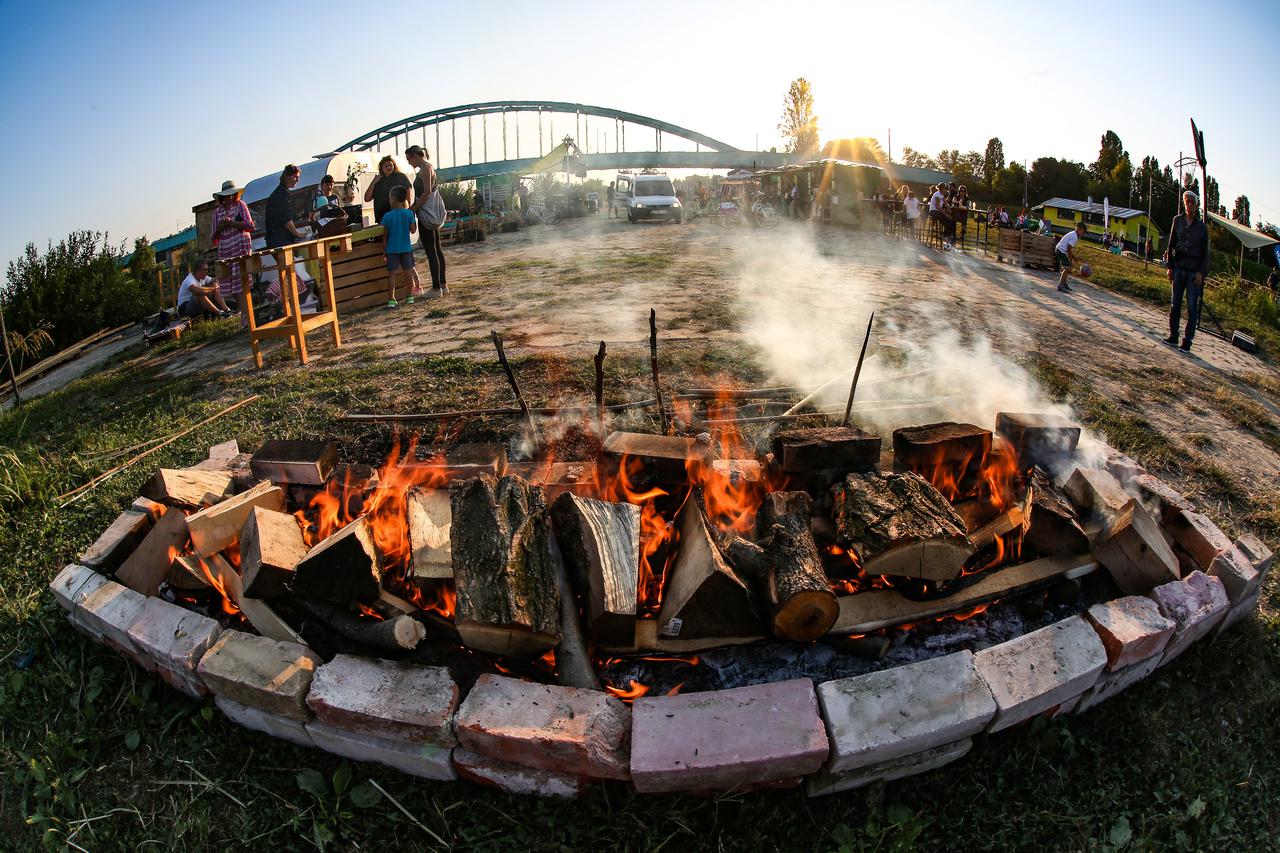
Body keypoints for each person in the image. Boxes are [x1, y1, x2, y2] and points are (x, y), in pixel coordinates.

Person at [1164, 190, 1209, 352]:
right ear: (1184, 203)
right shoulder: (1177, 221)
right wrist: (1170, 266)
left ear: (1196, 205)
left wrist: (1201, 273)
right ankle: (1173, 335)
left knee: (1191, 307)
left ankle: (1187, 341)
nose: (1189, 204)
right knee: (1175, 304)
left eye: (1192, 201)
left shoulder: (1202, 228)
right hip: (1178, 267)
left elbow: (1205, 253)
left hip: (1193, 271)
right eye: (1187, 201)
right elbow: (1170, 245)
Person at [405, 145, 448, 295]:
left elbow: (427, 191)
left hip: (426, 215)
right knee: (437, 249)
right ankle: (443, 284)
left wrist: (413, 208)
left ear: (415, 156)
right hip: (432, 214)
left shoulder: (425, 168)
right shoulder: (428, 167)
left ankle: (436, 288)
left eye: (409, 159)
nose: (409, 163)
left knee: (431, 251)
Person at [210, 180, 255, 324]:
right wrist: (221, 228)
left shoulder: (241, 205)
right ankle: (245, 315)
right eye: (226, 196)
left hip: (240, 247)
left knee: (243, 282)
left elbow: (250, 225)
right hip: (227, 250)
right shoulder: (217, 213)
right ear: (222, 197)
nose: (229, 198)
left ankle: (249, 315)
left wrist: (232, 223)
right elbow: (213, 238)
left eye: (231, 195)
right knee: (234, 285)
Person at [381, 184, 417, 308]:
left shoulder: (387, 216)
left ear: (393, 199)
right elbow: (413, 230)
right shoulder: (409, 214)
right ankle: (409, 297)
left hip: (392, 249)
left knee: (392, 274)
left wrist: (384, 250)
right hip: (406, 248)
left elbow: (385, 236)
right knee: (408, 272)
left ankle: (391, 299)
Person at [265, 165, 308, 249]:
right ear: (287, 177)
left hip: (272, 239)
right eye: (295, 177)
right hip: (280, 239)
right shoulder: (283, 194)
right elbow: (287, 220)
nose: (297, 180)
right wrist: (297, 234)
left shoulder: (278, 192)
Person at [364, 155, 413, 227]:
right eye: (386, 166)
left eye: (390, 165)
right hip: (382, 216)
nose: (389, 168)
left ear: (394, 165)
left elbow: (408, 190)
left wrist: (409, 206)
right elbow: (367, 198)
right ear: (381, 168)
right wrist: (374, 182)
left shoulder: (400, 176)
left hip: (398, 214)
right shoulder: (378, 181)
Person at [1055, 221, 1087, 292]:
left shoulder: (1073, 234)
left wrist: (1073, 257)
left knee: (1068, 267)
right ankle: (1060, 285)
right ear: (1079, 229)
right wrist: (1071, 259)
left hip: (1060, 250)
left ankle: (1064, 284)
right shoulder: (1074, 236)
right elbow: (1069, 248)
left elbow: (1068, 248)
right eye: (1083, 232)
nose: (1083, 234)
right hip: (1060, 251)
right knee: (1067, 268)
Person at [927, 184, 951, 249]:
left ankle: (945, 236)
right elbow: (937, 207)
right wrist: (946, 214)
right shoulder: (937, 194)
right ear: (942, 188)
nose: (946, 190)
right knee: (948, 220)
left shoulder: (941, 195)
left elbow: (945, 202)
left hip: (936, 211)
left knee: (949, 221)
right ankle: (944, 236)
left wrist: (948, 207)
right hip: (934, 211)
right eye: (945, 189)